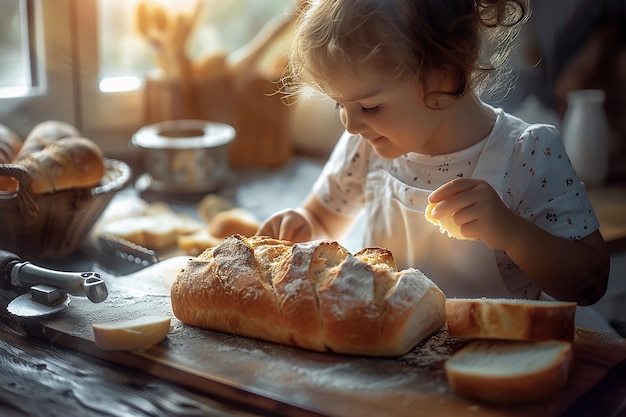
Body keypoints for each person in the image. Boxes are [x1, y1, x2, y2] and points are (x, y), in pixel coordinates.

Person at [257, 0, 610, 308]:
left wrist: (512, 232)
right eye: (339, 104)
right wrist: (301, 225)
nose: (350, 125)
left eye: (370, 106)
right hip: (389, 351)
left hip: (492, 354)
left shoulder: (527, 153)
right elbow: (322, 220)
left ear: (445, 75)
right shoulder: (366, 145)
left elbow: (590, 282)